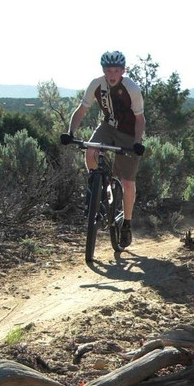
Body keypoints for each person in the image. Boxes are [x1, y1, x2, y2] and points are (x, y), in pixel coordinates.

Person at [68, 50, 146, 247]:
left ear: (123, 71)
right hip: (108, 127)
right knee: (91, 151)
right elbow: (81, 110)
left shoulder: (131, 88)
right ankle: (97, 191)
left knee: (127, 182)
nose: (112, 74)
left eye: (116, 70)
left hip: (129, 133)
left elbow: (140, 119)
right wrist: (70, 133)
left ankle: (126, 223)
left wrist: (137, 142)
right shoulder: (96, 84)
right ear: (103, 70)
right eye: (108, 70)